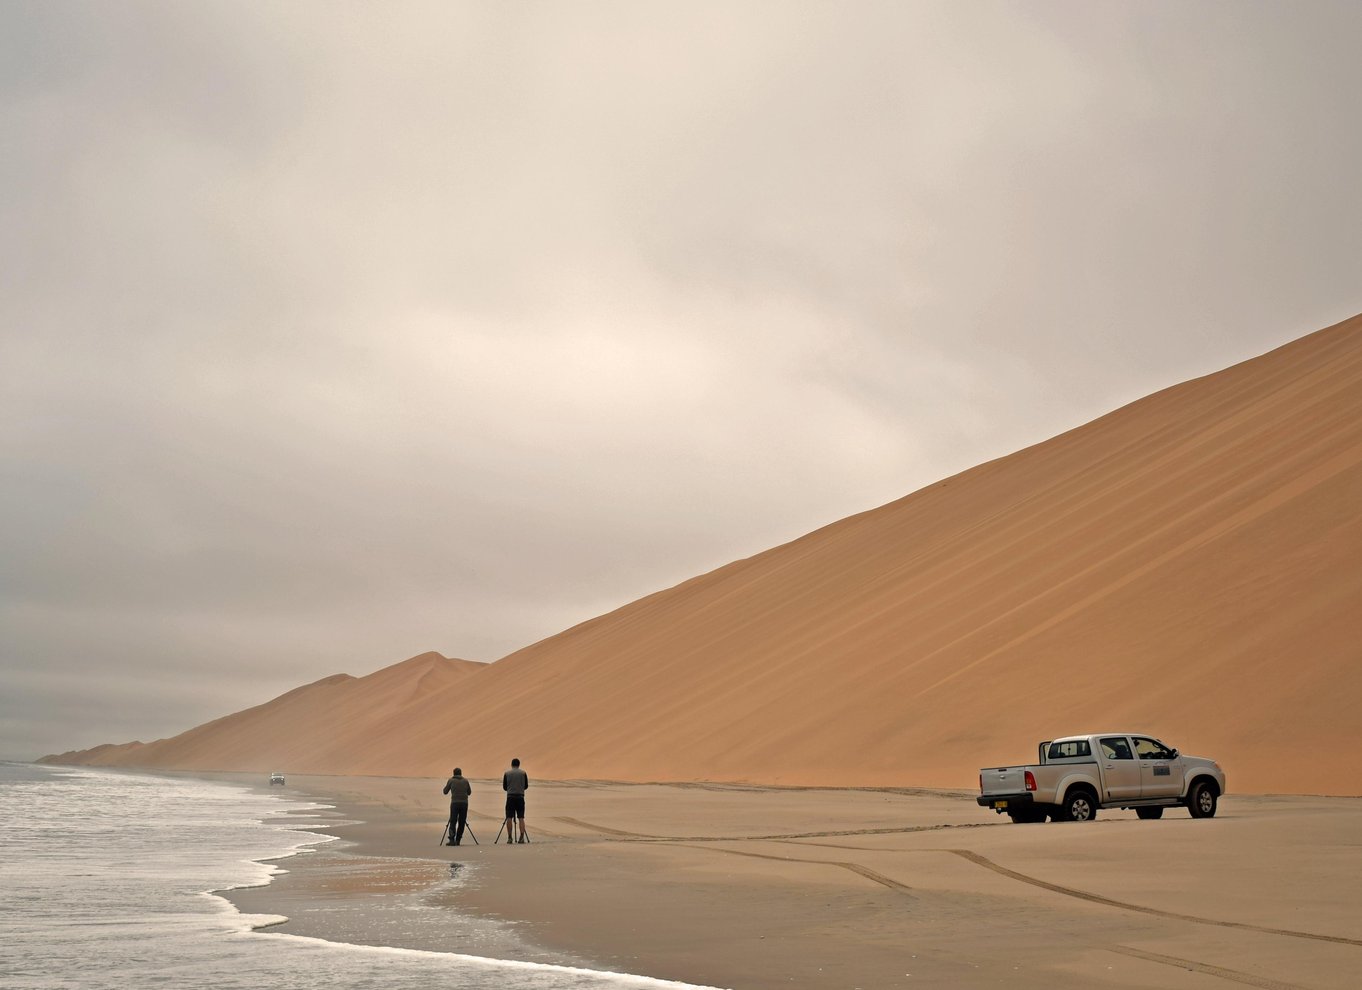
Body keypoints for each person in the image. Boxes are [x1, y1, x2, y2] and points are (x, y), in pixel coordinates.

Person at [502, 757, 529, 844]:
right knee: (521, 817)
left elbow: (505, 787)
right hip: (520, 797)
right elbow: (526, 786)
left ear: (512, 764)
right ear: (519, 764)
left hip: (510, 797)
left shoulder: (507, 773)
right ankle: (521, 837)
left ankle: (510, 837)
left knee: (509, 817)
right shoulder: (523, 773)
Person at [442, 767, 472, 845]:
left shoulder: (451, 780)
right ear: (461, 773)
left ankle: (452, 839)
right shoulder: (465, 781)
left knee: (453, 821)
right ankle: (458, 840)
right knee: (462, 821)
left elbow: (445, 792)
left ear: (453, 773)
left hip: (455, 803)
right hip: (464, 803)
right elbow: (469, 792)